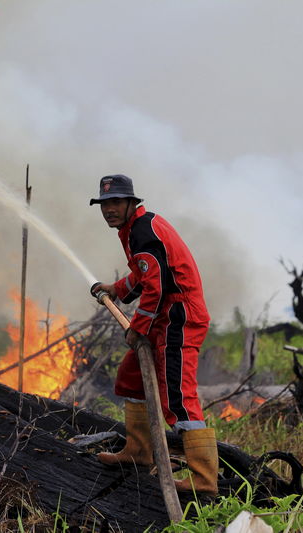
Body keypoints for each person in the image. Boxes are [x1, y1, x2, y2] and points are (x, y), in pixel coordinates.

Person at [90, 174, 217, 497]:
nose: (109, 209)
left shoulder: (142, 232)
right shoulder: (136, 228)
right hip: (164, 315)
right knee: (131, 378)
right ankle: (138, 452)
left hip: (179, 317)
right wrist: (116, 289)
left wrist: (138, 328)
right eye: (105, 204)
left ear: (132, 202)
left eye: (116, 202)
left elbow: (157, 288)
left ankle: (203, 480)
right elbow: (146, 275)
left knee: (179, 396)